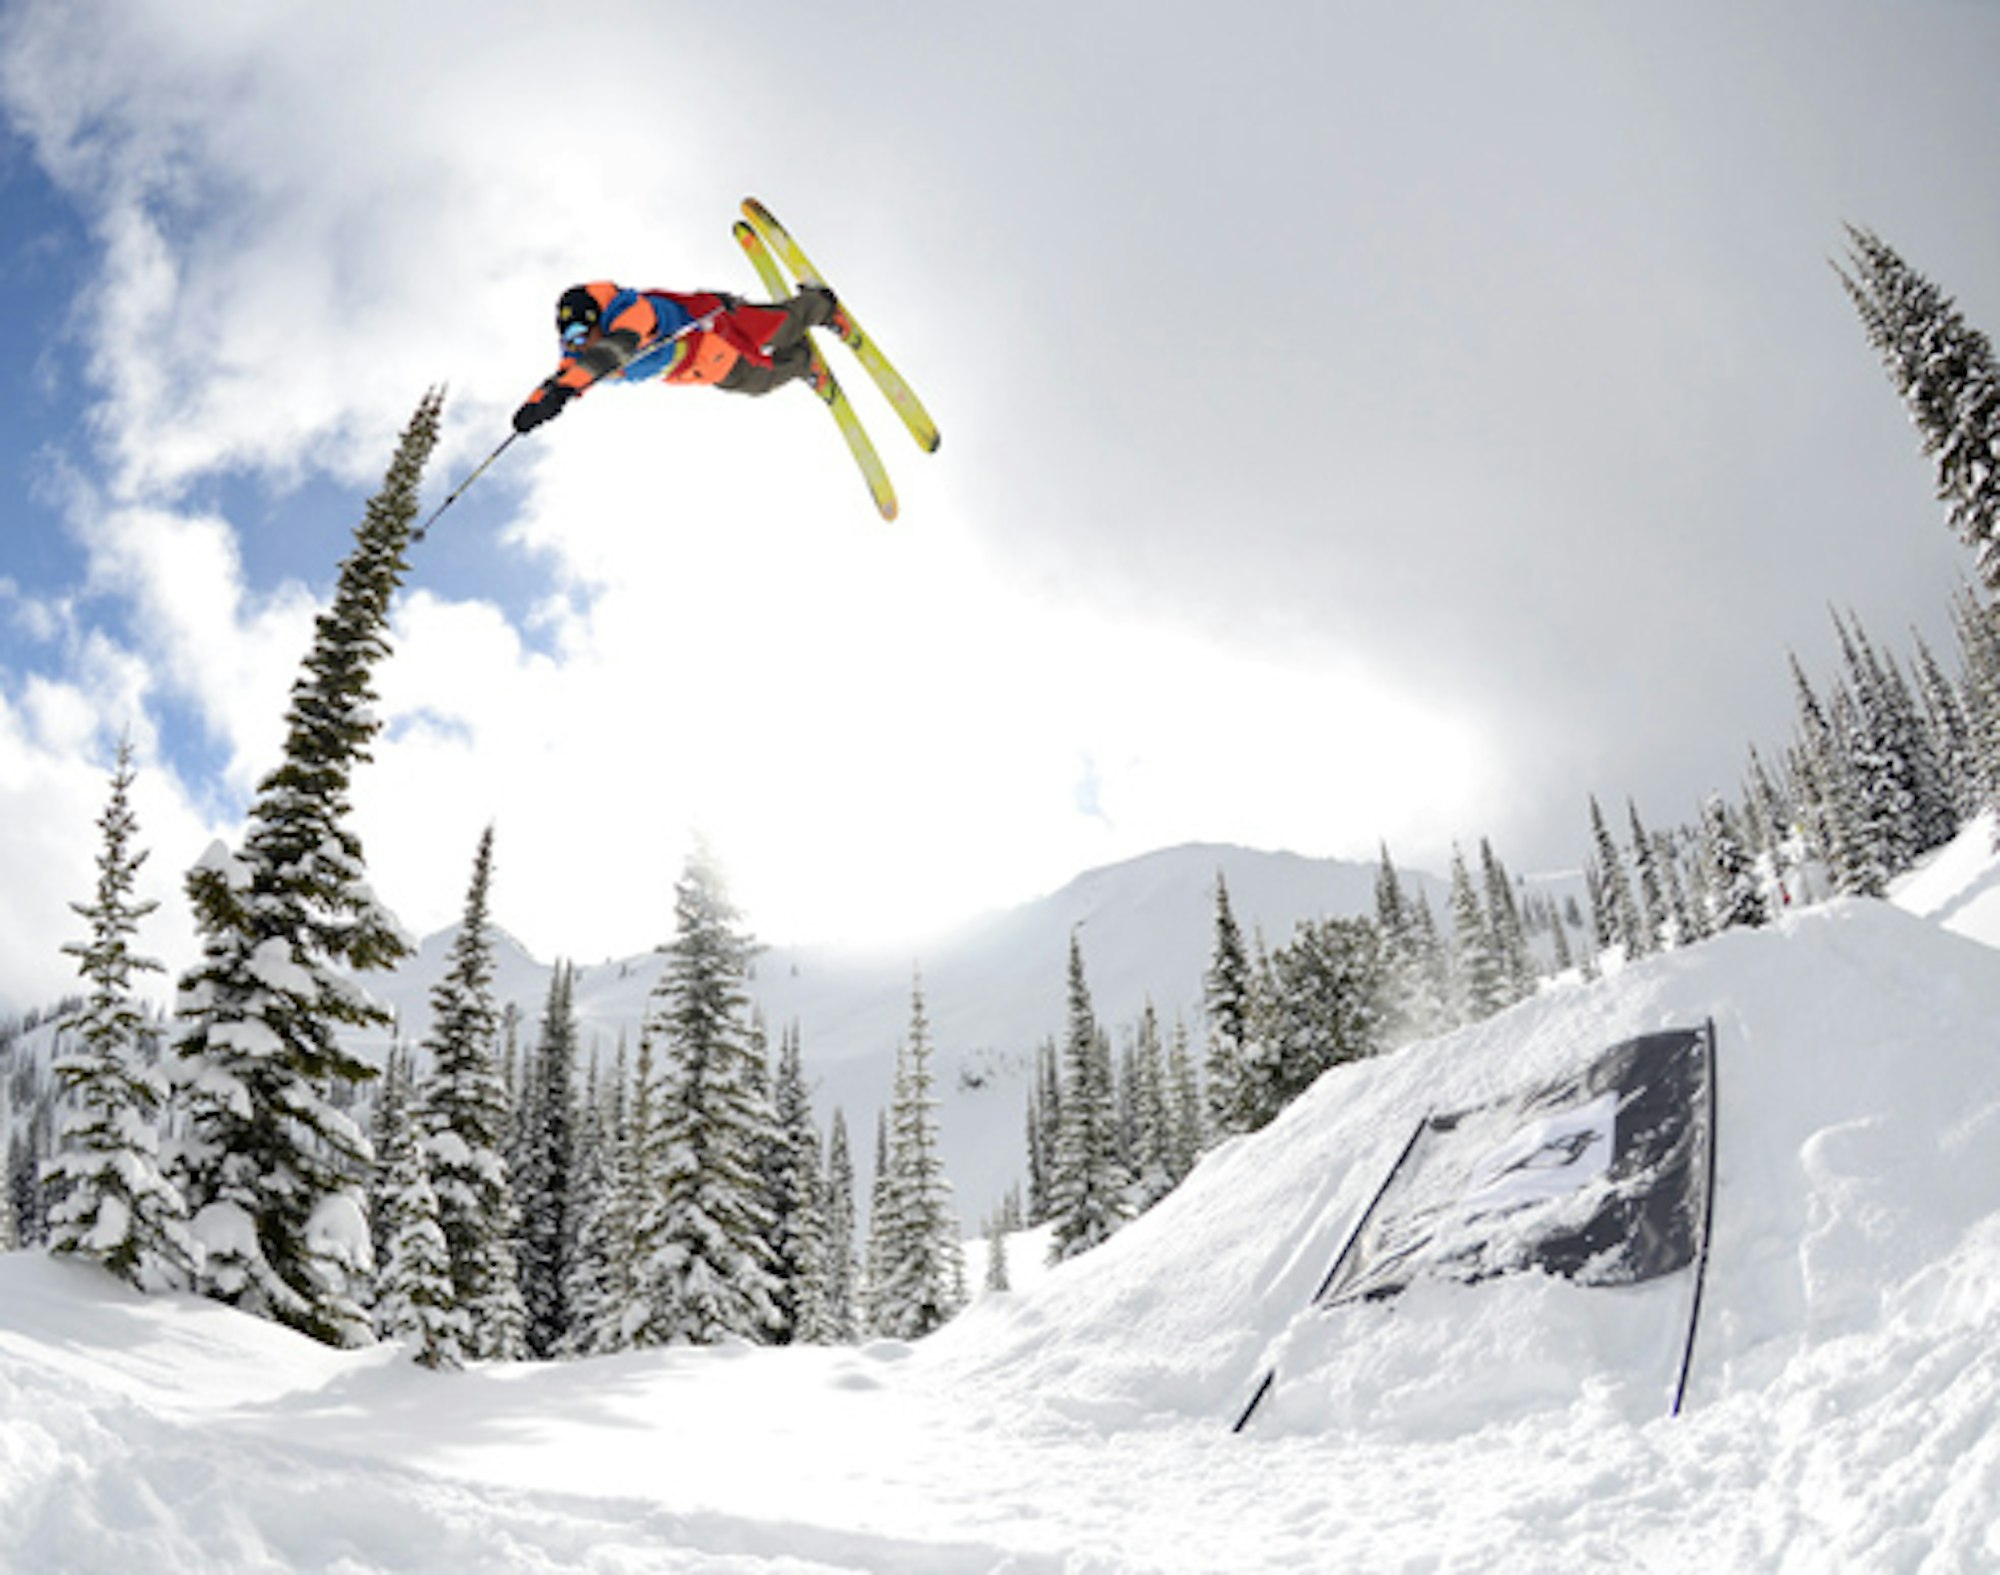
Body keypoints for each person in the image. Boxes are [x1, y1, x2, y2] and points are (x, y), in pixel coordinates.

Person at [512, 280, 841, 433]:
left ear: (598, 319)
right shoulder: (578, 351)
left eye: (583, 333)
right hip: (695, 367)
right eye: (570, 337)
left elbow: (616, 349)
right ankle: (801, 360)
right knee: (756, 383)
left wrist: (566, 389)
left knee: (775, 327)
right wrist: (535, 407)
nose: (579, 343)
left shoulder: (631, 311)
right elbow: (562, 377)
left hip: (711, 332)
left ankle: (821, 305)